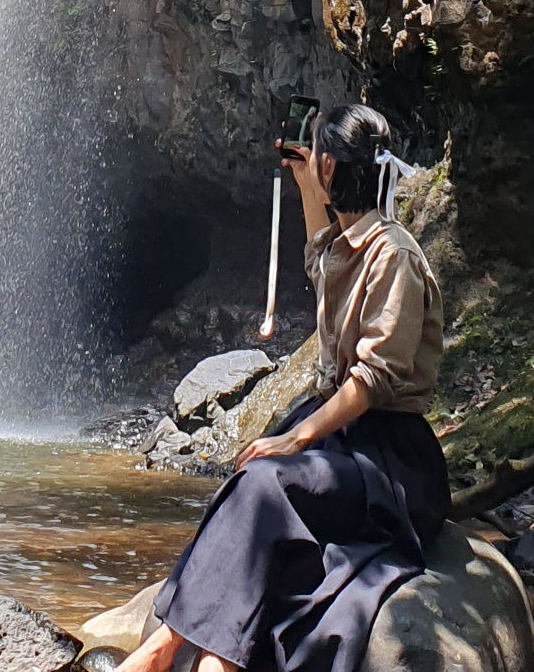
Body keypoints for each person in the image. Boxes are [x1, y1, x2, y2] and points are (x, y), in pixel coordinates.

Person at [118, 104, 448, 672]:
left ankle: (174, 649)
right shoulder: (351, 243)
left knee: (267, 481)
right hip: (346, 441)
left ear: (332, 165)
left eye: (317, 152)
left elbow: (372, 380)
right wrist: (305, 185)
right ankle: (182, 648)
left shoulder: (394, 253)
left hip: (389, 459)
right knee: (252, 478)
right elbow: (322, 258)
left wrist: (295, 438)